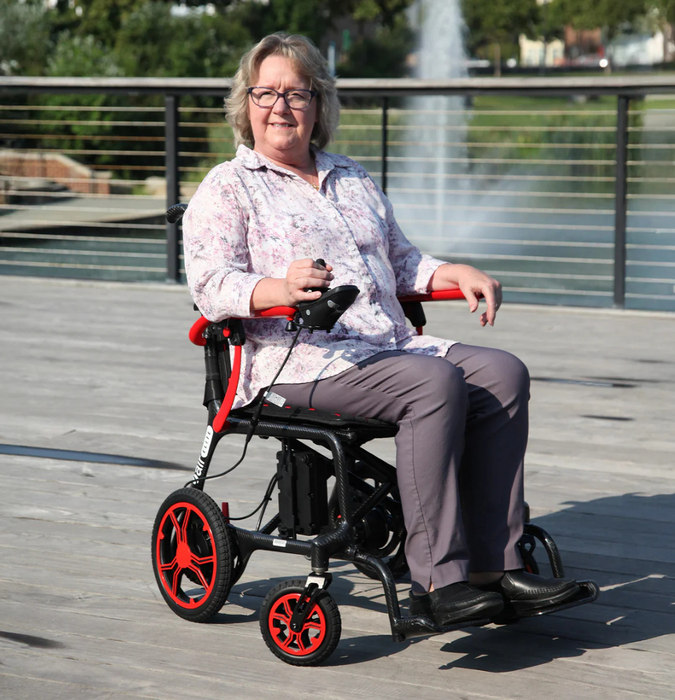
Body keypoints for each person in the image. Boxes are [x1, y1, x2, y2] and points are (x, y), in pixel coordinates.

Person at [183, 32, 580, 627]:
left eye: (297, 92)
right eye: (265, 92)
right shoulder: (229, 187)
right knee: (434, 383)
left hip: (390, 346)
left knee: (503, 373)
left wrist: (452, 271)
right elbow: (210, 284)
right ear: (246, 104)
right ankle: (435, 583)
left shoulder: (351, 177)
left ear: (319, 105)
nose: (280, 106)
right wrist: (276, 290)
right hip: (296, 363)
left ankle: (494, 567)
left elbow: (400, 263)